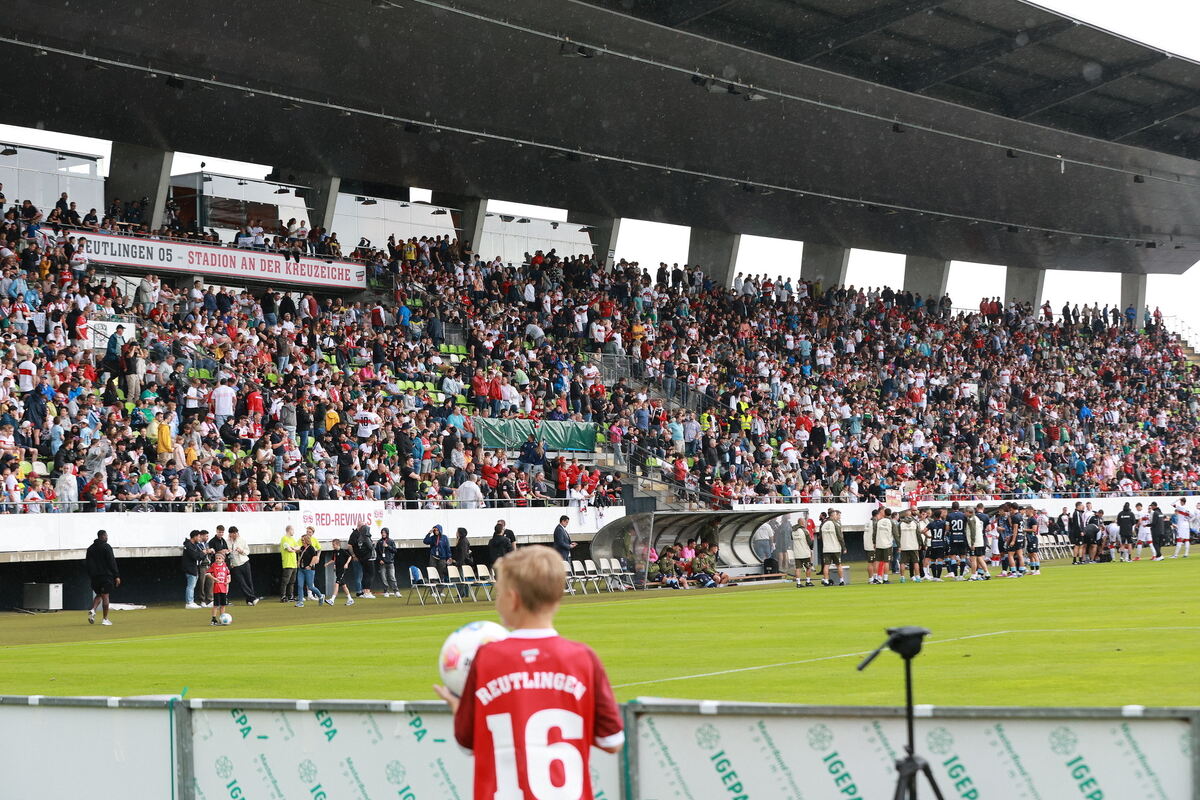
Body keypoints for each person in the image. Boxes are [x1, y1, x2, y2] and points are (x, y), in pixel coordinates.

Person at [435, 546, 623, 799]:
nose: (496, 601)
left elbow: (467, 744)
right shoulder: (583, 658)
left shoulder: (488, 657)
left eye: (498, 593)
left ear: (512, 599)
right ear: (557, 596)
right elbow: (612, 741)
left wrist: (457, 707)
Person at [85, 529, 119, 625]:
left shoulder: (90, 548)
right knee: (105, 596)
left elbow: (87, 564)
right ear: (102, 536)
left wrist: (91, 575)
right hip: (105, 576)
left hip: (95, 577)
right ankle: (105, 619)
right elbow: (112, 561)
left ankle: (93, 610)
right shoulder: (106, 547)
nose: (107, 537)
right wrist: (116, 575)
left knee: (99, 594)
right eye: (106, 535)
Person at [294, 532, 331, 607]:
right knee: (300, 585)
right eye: (301, 540)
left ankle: (320, 595)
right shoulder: (302, 548)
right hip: (301, 569)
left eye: (303, 540)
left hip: (309, 570)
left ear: (307, 540)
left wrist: (310, 565)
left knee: (310, 586)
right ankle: (300, 602)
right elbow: (298, 552)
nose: (302, 541)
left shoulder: (311, 548)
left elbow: (315, 557)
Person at [227, 526, 260, 605]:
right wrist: (230, 562)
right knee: (242, 583)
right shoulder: (227, 542)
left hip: (244, 563)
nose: (235, 535)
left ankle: (249, 600)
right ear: (230, 534)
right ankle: (253, 598)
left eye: (236, 533)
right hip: (235, 565)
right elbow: (228, 554)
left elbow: (247, 551)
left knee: (249, 582)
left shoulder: (242, 540)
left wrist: (241, 551)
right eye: (233, 533)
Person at [819, 509, 846, 586]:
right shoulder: (835, 524)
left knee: (826, 565)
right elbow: (840, 537)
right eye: (835, 515)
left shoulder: (823, 524)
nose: (836, 516)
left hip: (826, 549)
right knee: (838, 565)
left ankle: (826, 581)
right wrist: (843, 547)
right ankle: (841, 580)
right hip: (835, 548)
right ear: (832, 515)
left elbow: (820, 536)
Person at [349, 524, 377, 598]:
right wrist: (374, 544)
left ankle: (364, 591)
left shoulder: (359, 538)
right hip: (369, 558)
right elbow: (371, 547)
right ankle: (367, 592)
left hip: (363, 559)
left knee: (365, 575)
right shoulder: (366, 538)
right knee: (370, 574)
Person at [181, 529, 207, 609]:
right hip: (190, 568)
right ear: (195, 537)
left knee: (192, 585)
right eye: (199, 537)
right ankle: (189, 602)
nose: (200, 539)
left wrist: (202, 553)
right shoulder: (189, 545)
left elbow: (199, 555)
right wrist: (204, 552)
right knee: (191, 586)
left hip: (194, 568)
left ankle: (191, 602)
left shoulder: (193, 545)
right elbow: (196, 556)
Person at [896, 508, 922, 583]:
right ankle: (917, 577)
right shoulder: (915, 523)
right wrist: (920, 543)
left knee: (902, 562)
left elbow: (898, 535)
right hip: (914, 545)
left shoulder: (900, 523)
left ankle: (902, 578)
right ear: (910, 514)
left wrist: (899, 545)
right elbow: (918, 534)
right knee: (916, 562)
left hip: (904, 545)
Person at [328, 538, 356, 605]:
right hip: (337, 570)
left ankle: (332, 600)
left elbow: (350, 557)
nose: (333, 546)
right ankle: (350, 599)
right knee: (343, 585)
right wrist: (327, 563)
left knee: (337, 584)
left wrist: (346, 564)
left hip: (342, 570)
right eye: (332, 545)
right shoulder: (334, 552)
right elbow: (333, 560)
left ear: (338, 544)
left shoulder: (342, 551)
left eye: (334, 545)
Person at [376, 527, 400, 597]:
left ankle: (396, 591)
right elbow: (377, 552)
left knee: (392, 577)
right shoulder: (379, 542)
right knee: (383, 578)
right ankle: (386, 591)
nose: (383, 534)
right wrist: (379, 559)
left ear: (387, 533)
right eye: (382, 533)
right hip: (382, 563)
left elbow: (394, 550)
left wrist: (387, 546)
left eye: (384, 533)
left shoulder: (391, 541)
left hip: (390, 562)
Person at [208, 552, 231, 626]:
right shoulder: (213, 565)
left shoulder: (225, 566)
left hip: (223, 588)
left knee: (223, 605)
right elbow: (207, 573)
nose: (217, 560)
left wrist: (228, 581)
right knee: (216, 605)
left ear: (223, 560)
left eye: (219, 558)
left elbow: (228, 575)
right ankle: (213, 619)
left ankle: (222, 618)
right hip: (217, 588)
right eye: (216, 558)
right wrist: (214, 578)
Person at [790, 516, 814, 588]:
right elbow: (809, 542)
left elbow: (792, 538)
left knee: (798, 568)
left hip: (797, 553)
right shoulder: (805, 531)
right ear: (803, 523)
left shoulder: (793, 531)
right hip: (805, 552)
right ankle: (808, 581)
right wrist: (811, 548)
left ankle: (798, 583)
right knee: (808, 567)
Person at [279, 525, 300, 602]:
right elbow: (288, 549)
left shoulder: (292, 539)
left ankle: (290, 596)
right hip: (287, 563)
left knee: (292, 581)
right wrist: (293, 548)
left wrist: (293, 548)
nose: (293, 532)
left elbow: (298, 547)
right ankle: (283, 596)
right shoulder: (284, 538)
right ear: (289, 530)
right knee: (285, 581)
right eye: (293, 530)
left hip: (294, 563)